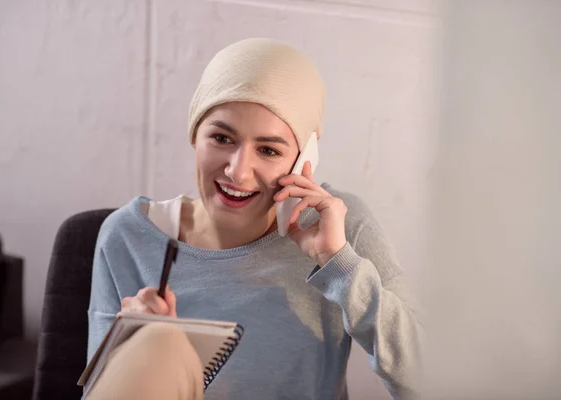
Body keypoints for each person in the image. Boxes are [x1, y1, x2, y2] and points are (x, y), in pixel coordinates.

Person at [85, 38, 423, 400]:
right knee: (156, 345)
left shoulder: (342, 226)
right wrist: (135, 351)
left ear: (303, 159)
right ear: (194, 136)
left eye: (268, 150)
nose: (238, 171)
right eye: (221, 138)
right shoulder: (128, 237)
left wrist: (340, 264)